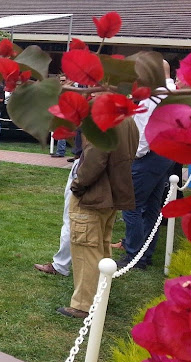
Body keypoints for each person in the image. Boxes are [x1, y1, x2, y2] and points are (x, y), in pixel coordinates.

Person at [58, 116, 138, 319]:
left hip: (93, 194)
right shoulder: (127, 117)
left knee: (86, 249)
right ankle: (99, 296)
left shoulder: (101, 115)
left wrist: (78, 184)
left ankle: (84, 304)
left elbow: (95, 158)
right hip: (110, 193)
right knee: (101, 247)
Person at [117, 60, 177, 270]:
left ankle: (134, 255)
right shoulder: (172, 92)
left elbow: (144, 131)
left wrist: (134, 155)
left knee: (131, 205)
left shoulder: (153, 95)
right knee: (152, 206)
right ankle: (145, 253)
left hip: (149, 155)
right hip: (165, 155)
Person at [35, 130, 83, 277]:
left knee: (71, 219)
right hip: (87, 164)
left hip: (85, 166)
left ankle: (61, 265)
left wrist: (78, 183)